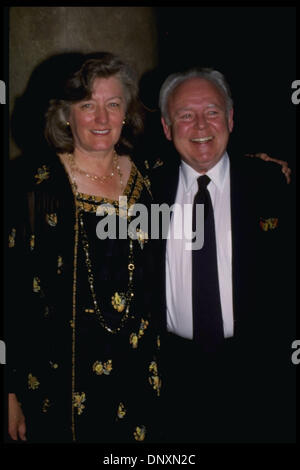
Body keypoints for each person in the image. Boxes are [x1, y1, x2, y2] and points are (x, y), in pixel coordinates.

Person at [5, 52, 162, 443]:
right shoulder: (33, 184)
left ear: (127, 112)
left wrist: (256, 163)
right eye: (87, 105)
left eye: (113, 104)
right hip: (58, 383)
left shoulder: (148, 176)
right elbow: (9, 290)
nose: (102, 119)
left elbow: (203, 160)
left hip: (140, 373)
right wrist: (7, 390)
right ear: (65, 115)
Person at [151, 67, 295, 442]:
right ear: (167, 128)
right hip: (171, 376)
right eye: (185, 115)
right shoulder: (144, 192)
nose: (201, 125)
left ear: (230, 119)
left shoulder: (273, 184)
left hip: (259, 374)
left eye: (212, 112)